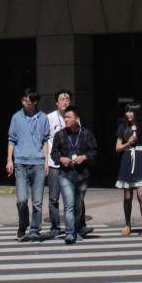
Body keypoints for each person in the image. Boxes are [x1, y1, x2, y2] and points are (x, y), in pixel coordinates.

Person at [6, 88, 50, 242]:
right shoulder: (16, 117)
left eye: (28, 101)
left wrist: (46, 160)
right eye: (23, 100)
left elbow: (45, 140)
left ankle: (35, 230)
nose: (25, 103)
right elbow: (11, 139)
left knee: (37, 202)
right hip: (21, 163)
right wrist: (9, 160)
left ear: (35, 102)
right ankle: (23, 224)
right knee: (22, 199)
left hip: (38, 163)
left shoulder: (43, 118)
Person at [51, 104, 97, 245]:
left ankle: (76, 230)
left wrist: (84, 157)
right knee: (69, 205)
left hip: (82, 175)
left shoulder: (86, 134)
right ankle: (70, 233)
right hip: (66, 175)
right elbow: (54, 153)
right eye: (65, 117)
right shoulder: (60, 134)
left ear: (76, 119)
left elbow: (94, 151)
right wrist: (61, 159)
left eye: (69, 117)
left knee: (78, 205)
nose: (66, 120)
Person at [115, 102, 142, 237]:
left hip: (140, 159)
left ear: (136, 112)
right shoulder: (122, 127)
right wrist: (129, 143)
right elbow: (118, 148)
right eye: (127, 111)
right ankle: (127, 224)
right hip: (127, 159)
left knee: (141, 194)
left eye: (131, 111)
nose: (128, 114)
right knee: (127, 195)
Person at [46, 89, 72, 237]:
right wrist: (45, 161)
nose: (65, 101)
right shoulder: (49, 118)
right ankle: (55, 226)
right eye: (62, 99)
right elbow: (44, 140)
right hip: (54, 163)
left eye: (67, 99)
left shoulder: (74, 118)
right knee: (53, 197)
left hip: (70, 164)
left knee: (71, 197)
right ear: (56, 102)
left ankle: (73, 226)